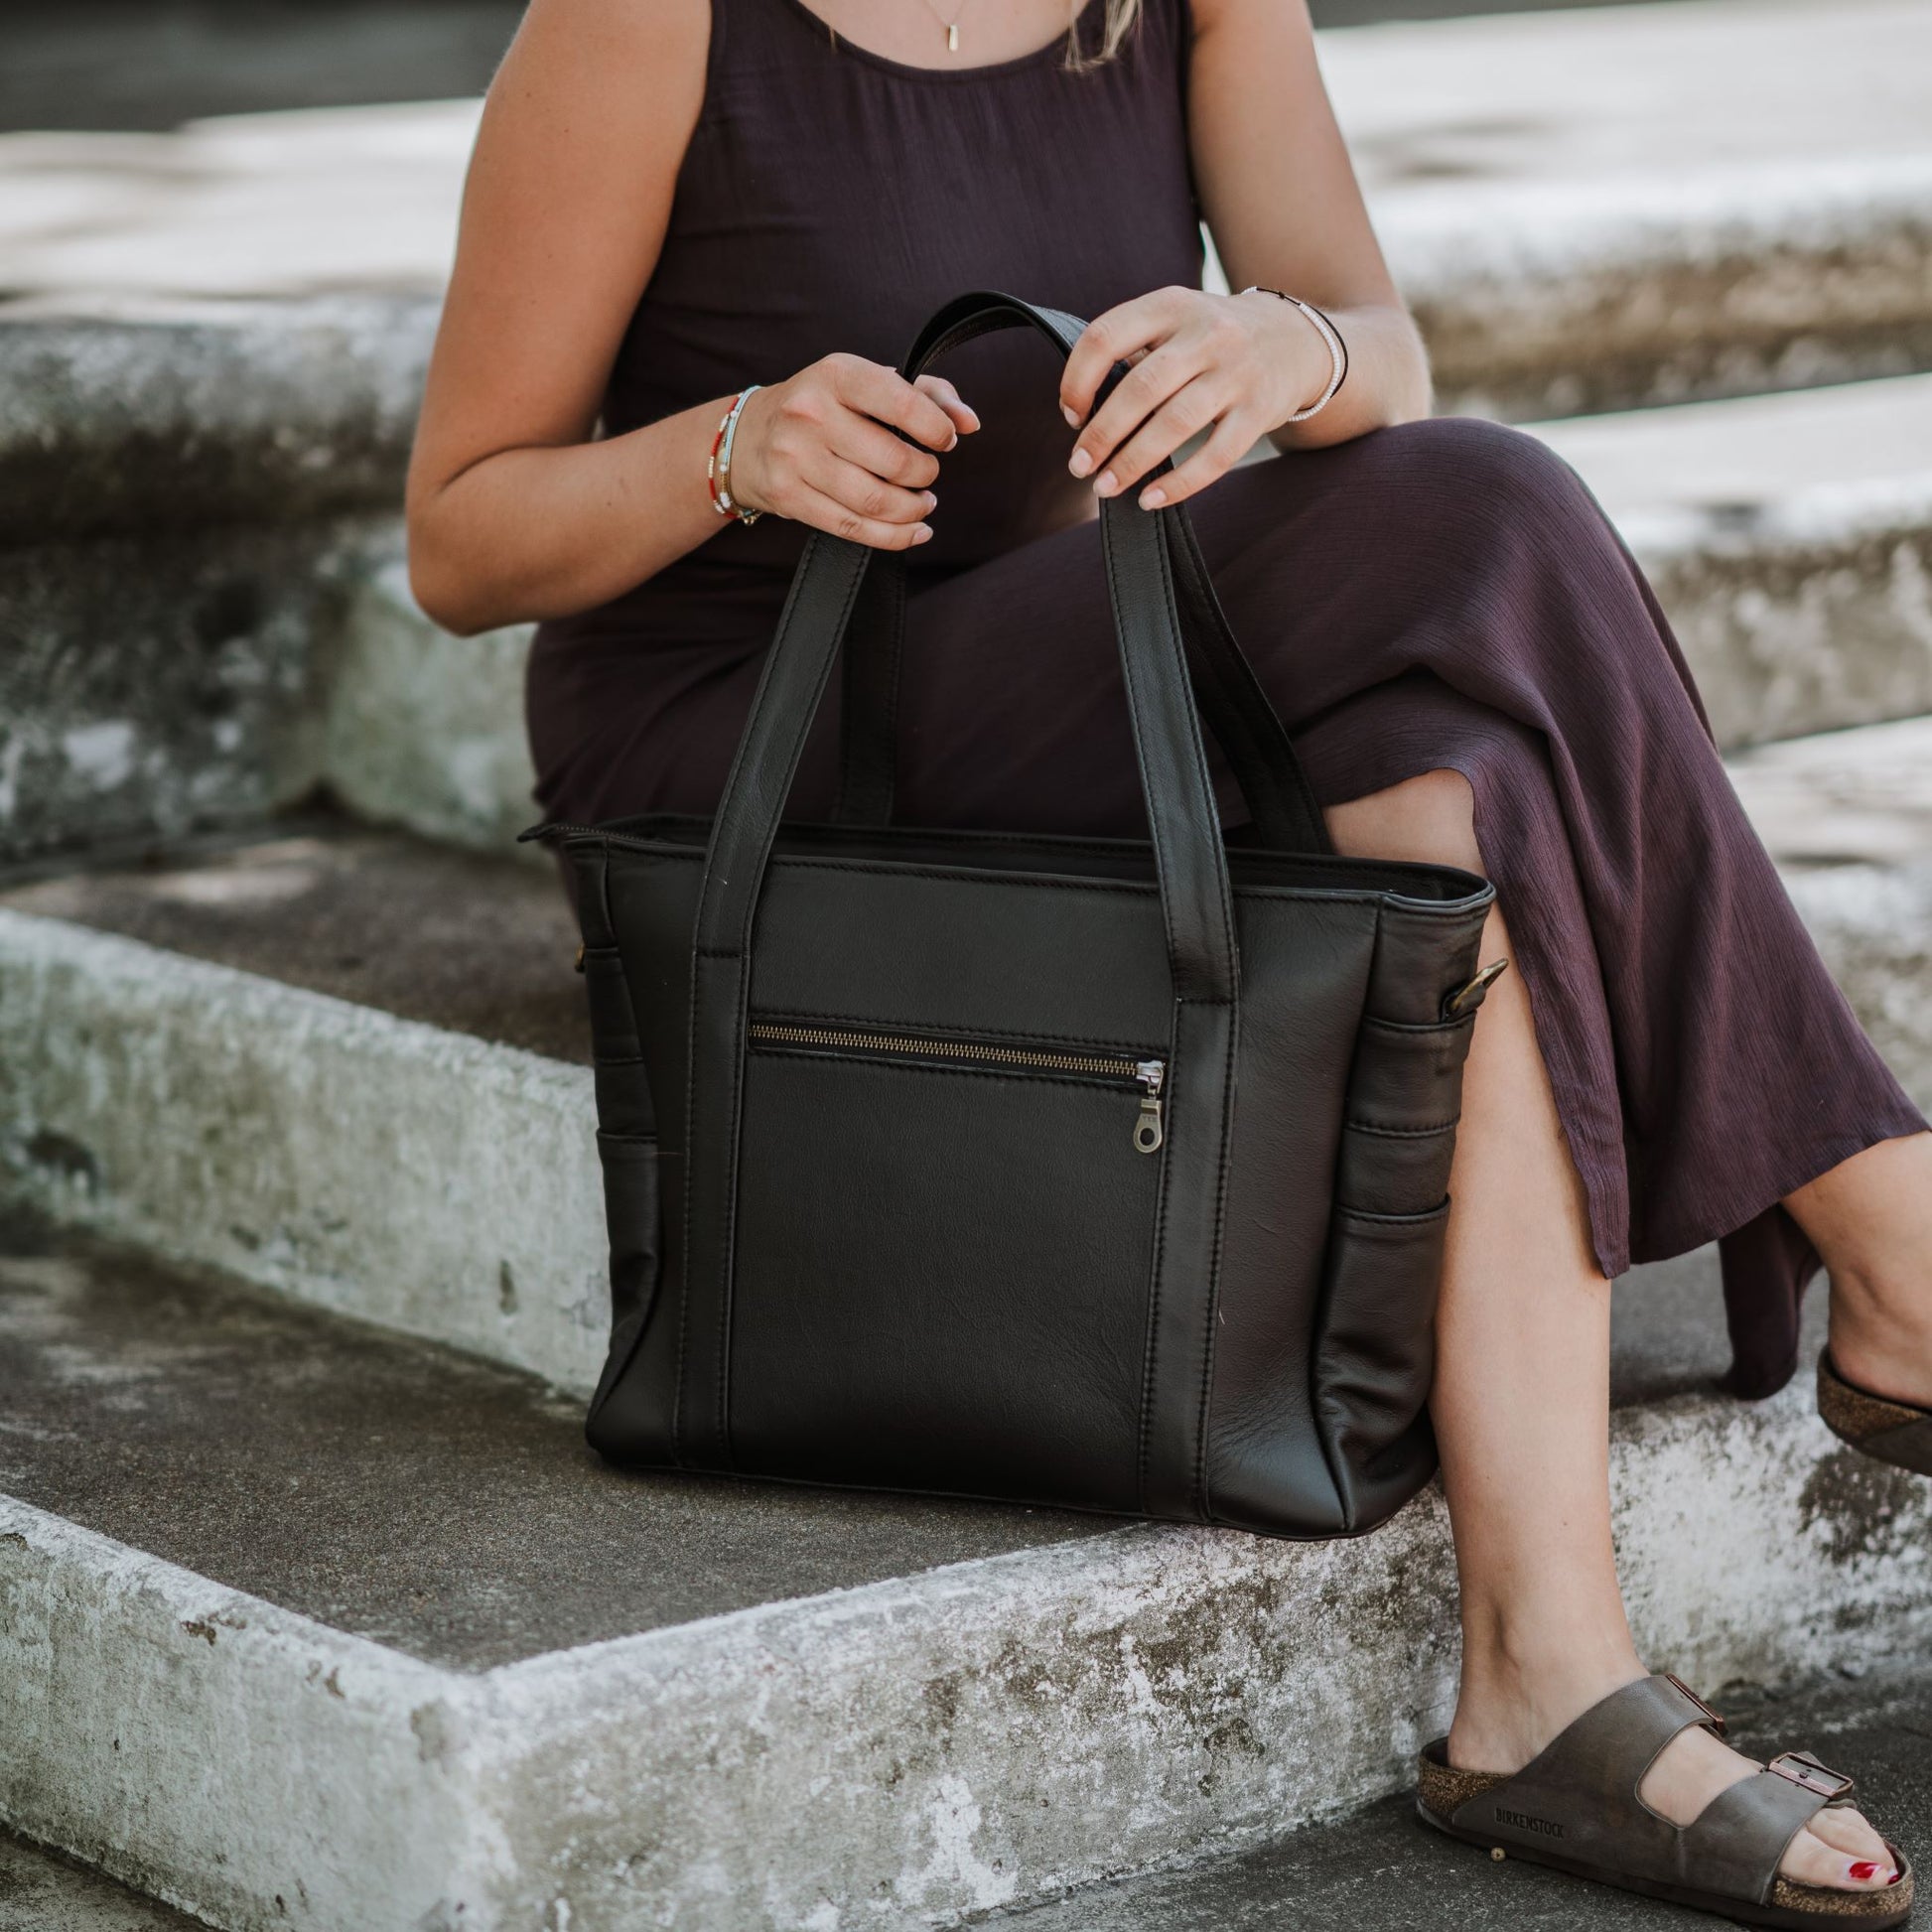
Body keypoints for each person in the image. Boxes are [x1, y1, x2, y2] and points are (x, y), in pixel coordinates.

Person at [404, 0, 1931, 1916]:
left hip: (1095, 668)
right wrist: (735, 448)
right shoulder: (650, 20)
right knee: (1492, 514)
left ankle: (1545, 1673)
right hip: (753, 738)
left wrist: (1270, 350)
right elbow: (457, 539)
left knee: (1458, 792)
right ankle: (1888, 1226)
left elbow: (1380, 352)